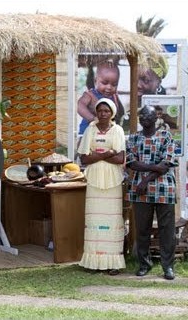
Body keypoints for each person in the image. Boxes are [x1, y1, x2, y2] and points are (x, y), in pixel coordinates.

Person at [125, 105, 177, 280]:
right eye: (142, 115)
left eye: (148, 115)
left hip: (164, 189)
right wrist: (156, 167)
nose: (144, 118)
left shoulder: (166, 136)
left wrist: (146, 179)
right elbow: (132, 163)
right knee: (142, 229)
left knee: (167, 230)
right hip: (140, 192)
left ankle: (168, 267)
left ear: (156, 118)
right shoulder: (133, 138)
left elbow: (167, 163)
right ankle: (144, 264)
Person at [77, 98, 126, 275]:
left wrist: (96, 155)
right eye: (100, 111)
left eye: (106, 111)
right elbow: (83, 158)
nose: (103, 114)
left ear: (112, 113)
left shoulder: (118, 130)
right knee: (94, 221)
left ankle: (113, 261)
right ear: (96, 113)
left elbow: (120, 159)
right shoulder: (90, 129)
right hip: (94, 180)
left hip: (113, 180)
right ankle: (93, 262)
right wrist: (107, 153)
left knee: (112, 221)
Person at [77, 60, 124, 135]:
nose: (109, 87)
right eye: (105, 83)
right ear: (95, 81)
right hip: (88, 133)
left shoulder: (114, 96)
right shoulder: (90, 95)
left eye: (114, 84)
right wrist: (92, 118)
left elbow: (120, 112)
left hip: (106, 134)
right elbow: (79, 106)